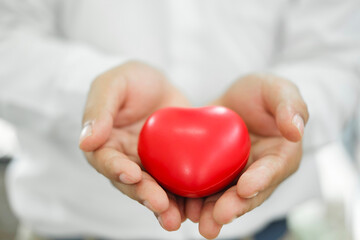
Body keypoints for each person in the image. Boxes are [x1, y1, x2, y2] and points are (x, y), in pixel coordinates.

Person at [0, 0, 359, 239]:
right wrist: (98, 94)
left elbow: (337, 53)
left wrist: (287, 111)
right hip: (72, 225)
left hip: (262, 229)